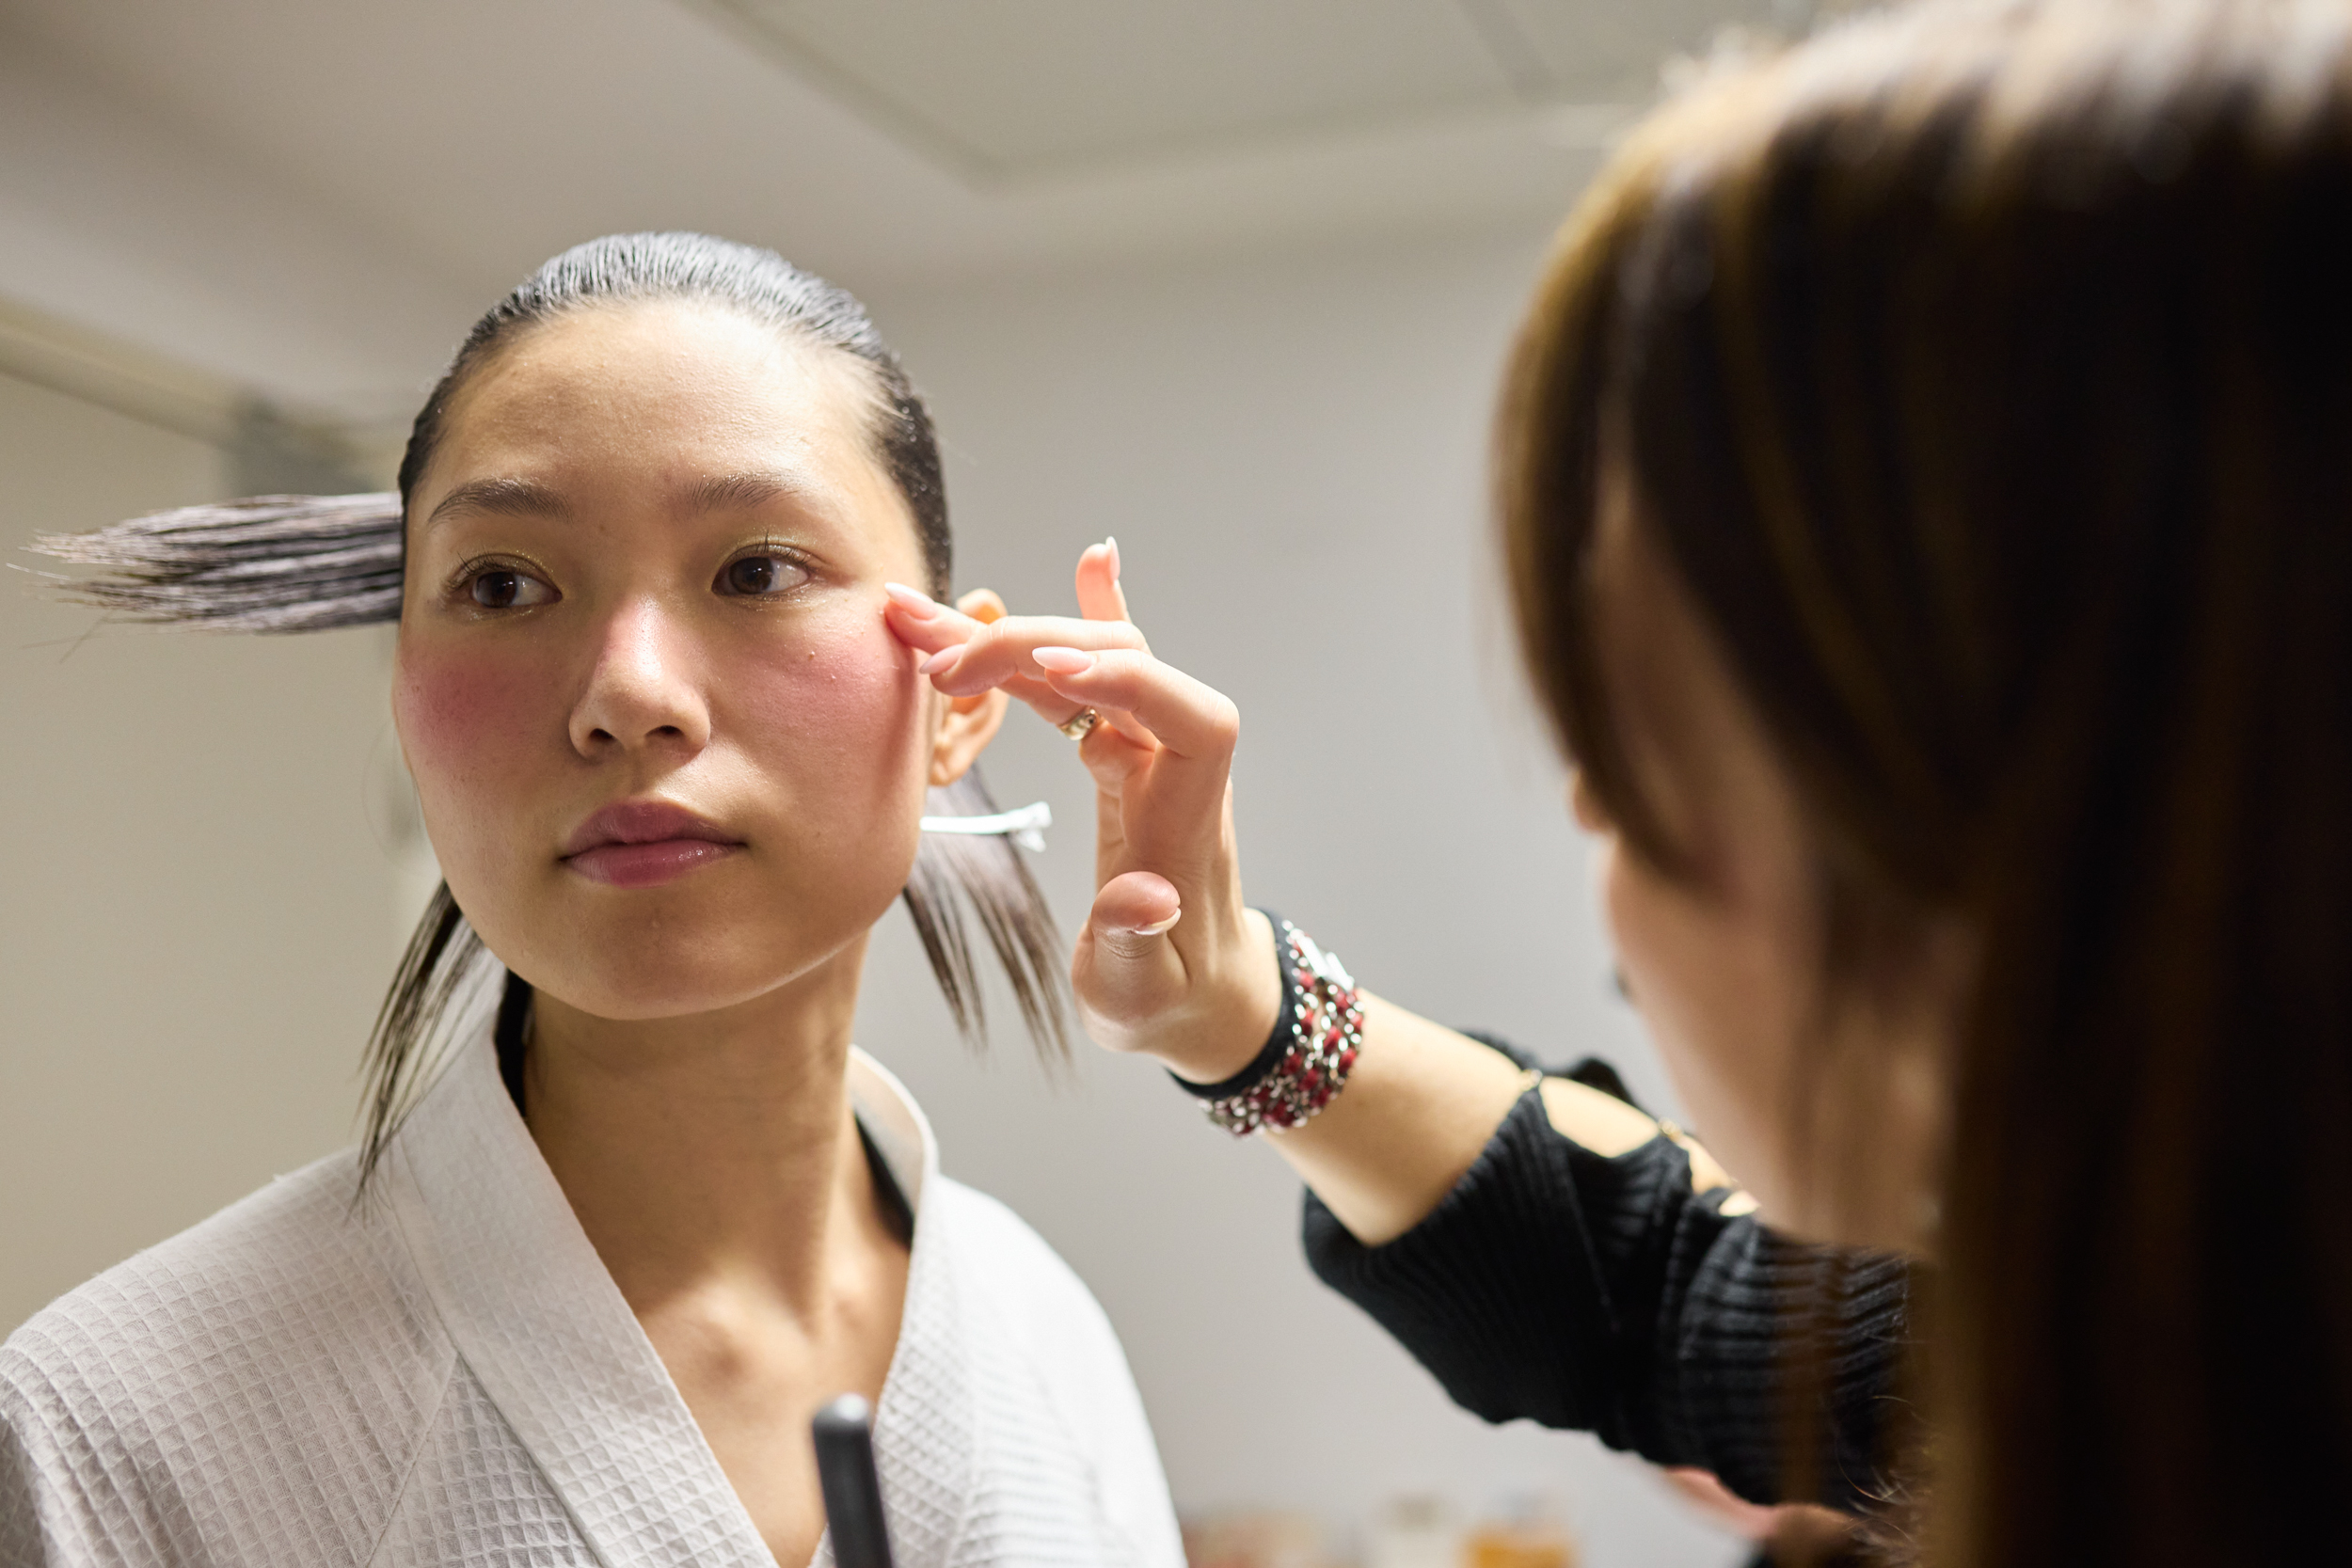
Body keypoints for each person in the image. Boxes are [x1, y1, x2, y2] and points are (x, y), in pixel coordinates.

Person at [886, 1, 2352, 1563]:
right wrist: (1233, 1007)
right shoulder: (2147, 1314)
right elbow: (1659, 1280)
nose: (1594, 805)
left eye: (1647, 723)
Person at [1, 234, 1184, 1568]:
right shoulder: (112, 1432)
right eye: (502, 586)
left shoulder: (1045, 1331)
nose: (628, 694)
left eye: (756, 571)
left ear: (960, 697)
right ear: (406, 699)